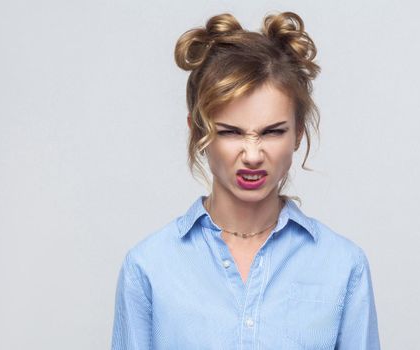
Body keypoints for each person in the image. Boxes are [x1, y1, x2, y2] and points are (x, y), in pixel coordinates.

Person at [111, 11, 380, 350]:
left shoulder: (343, 266)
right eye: (230, 132)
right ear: (199, 133)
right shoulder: (148, 268)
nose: (252, 155)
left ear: (298, 132)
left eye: (272, 132)